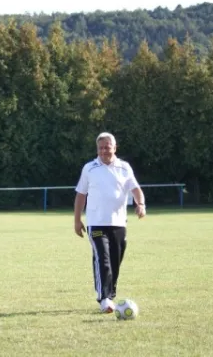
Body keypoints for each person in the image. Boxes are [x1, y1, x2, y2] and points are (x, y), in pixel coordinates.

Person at [73, 132, 146, 313]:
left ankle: (110, 295)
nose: (104, 150)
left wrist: (141, 204)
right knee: (103, 259)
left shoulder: (124, 167)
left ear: (115, 147)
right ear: (97, 149)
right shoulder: (89, 168)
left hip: (119, 223)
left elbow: (135, 189)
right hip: (96, 223)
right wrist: (77, 220)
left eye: (107, 147)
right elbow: (81, 195)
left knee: (115, 260)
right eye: (101, 147)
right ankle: (104, 298)